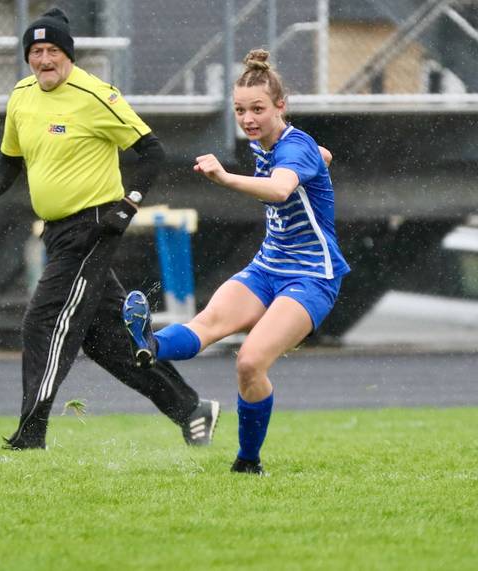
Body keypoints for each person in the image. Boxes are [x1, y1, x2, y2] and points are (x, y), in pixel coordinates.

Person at [0, 7, 219, 450]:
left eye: (53, 51)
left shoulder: (96, 94)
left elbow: (152, 151)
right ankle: (190, 408)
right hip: (58, 232)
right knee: (110, 343)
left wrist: (127, 207)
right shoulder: (22, 96)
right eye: (36, 51)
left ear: (68, 55)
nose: (44, 59)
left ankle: (30, 434)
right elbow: (9, 160)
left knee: (43, 322)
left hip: (94, 228)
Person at [123, 49, 349, 474]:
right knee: (205, 326)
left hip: (312, 278)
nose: (248, 118)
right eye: (241, 110)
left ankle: (248, 461)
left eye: (258, 109)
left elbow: (281, 189)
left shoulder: (291, 148)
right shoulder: (276, 143)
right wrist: (323, 159)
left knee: (249, 361)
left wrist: (225, 178)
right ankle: (149, 345)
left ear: (281, 106)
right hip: (268, 267)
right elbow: (320, 157)